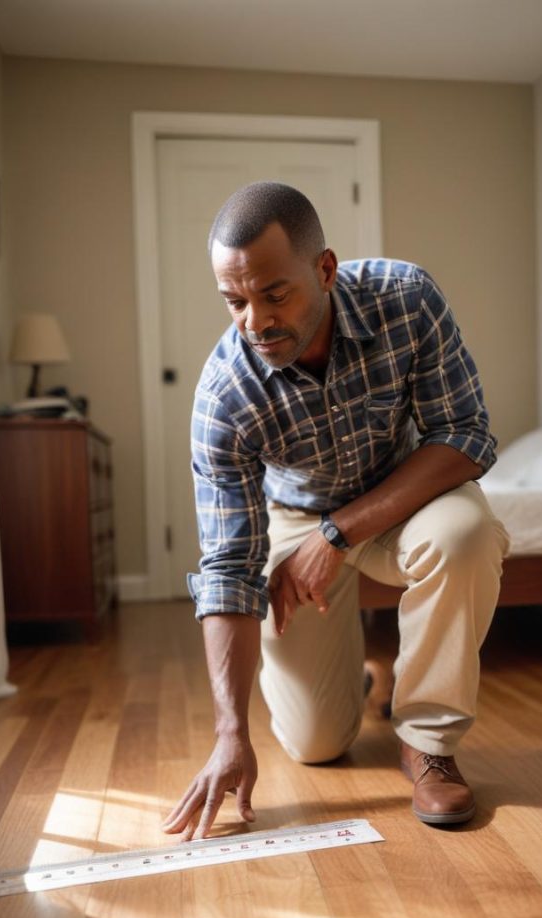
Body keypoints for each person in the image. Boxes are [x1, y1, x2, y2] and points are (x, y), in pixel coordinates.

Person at [161, 181, 510, 842]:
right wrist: (230, 733)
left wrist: (340, 533)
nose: (255, 322)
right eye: (235, 302)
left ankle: (429, 740)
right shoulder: (225, 395)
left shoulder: (406, 298)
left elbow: (465, 435)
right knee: (317, 744)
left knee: (468, 532)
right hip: (295, 520)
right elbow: (230, 565)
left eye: (274, 294)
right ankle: (361, 676)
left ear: (325, 270)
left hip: (407, 495)